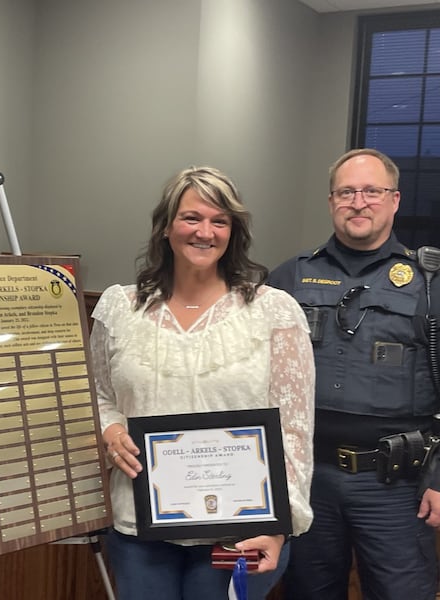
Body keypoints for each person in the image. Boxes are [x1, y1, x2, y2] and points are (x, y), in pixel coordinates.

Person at [91, 166, 315, 600]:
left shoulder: (273, 312)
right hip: (140, 523)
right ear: (166, 227)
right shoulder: (120, 309)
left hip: (240, 527)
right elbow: (97, 395)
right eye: (191, 218)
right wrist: (110, 428)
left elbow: (295, 430)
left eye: (219, 221)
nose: (204, 232)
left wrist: (278, 526)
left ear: (234, 231)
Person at [269, 148, 440, 600]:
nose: (358, 201)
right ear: (331, 202)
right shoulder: (290, 278)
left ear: (395, 200)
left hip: (397, 485)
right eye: (346, 191)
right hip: (309, 480)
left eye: (371, 191)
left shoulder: (429, 282)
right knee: (308, 592)